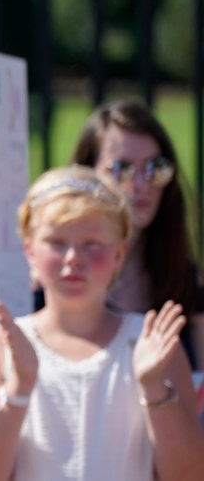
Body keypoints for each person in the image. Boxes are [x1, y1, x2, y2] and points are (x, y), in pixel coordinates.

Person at [0, 165, 204, 480]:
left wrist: (154, 386)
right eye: (57, 243)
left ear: (119, 255)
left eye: (92, 244)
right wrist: (18, 388)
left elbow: (189, 474)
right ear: (30, 251)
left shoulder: (151, 343)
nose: (73, 257)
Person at [58, 100, 204, 370]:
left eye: (156, 167)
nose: (140, 184)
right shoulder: (53, 277)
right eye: (122, 169)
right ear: (86, 174)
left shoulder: (185, 277)